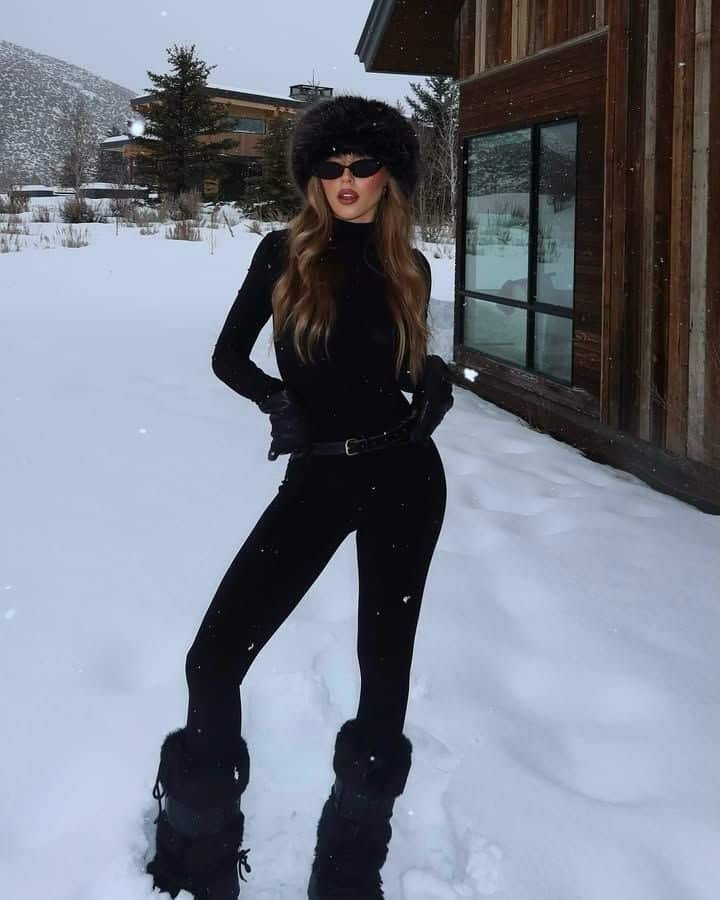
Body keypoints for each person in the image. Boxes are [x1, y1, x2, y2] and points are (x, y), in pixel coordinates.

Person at [145, 94, 454, 900]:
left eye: (362, 165)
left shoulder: (409, 266)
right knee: (212, 663)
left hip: (406, 481)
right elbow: (227, 357)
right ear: (312, 176)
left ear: (391, 176)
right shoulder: (282, 252)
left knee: (383, 683)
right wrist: (278, 402)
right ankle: (196, 861)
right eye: (329, 166)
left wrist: (435, 380)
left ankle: (348, 877)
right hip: (318, 478)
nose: (345, 181)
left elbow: (402, 369)